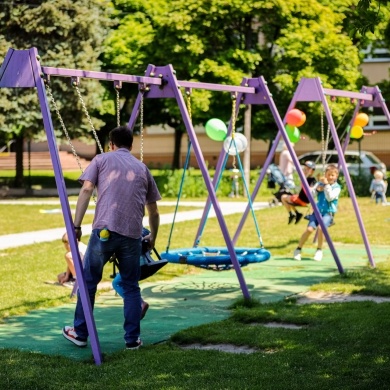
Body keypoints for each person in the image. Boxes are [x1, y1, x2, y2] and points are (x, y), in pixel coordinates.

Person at [62, 125, 161, 351]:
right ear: (131, 145)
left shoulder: (101, 159)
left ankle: (80, 332)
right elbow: (153, 211)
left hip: (105, 231)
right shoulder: (142, 168)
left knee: (88, 282)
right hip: (132, 235)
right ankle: (132, 339)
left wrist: (76, 225)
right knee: (130, 284)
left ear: (111, 144)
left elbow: (87, 189)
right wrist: (153, 236)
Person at [293, 164, 341, 262]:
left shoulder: (337, 187)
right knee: (309, 229)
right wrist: (316, 190)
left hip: (328, 213)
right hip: (317, 211)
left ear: (336, 176)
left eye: (332, 175)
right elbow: (311, 196)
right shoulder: (320, 183)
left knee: (321, 228)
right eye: (328, 175)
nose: (330, 177)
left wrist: (326, 185)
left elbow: (329, 198)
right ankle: (298, 249)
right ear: (325, 175)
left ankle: (319, 250)